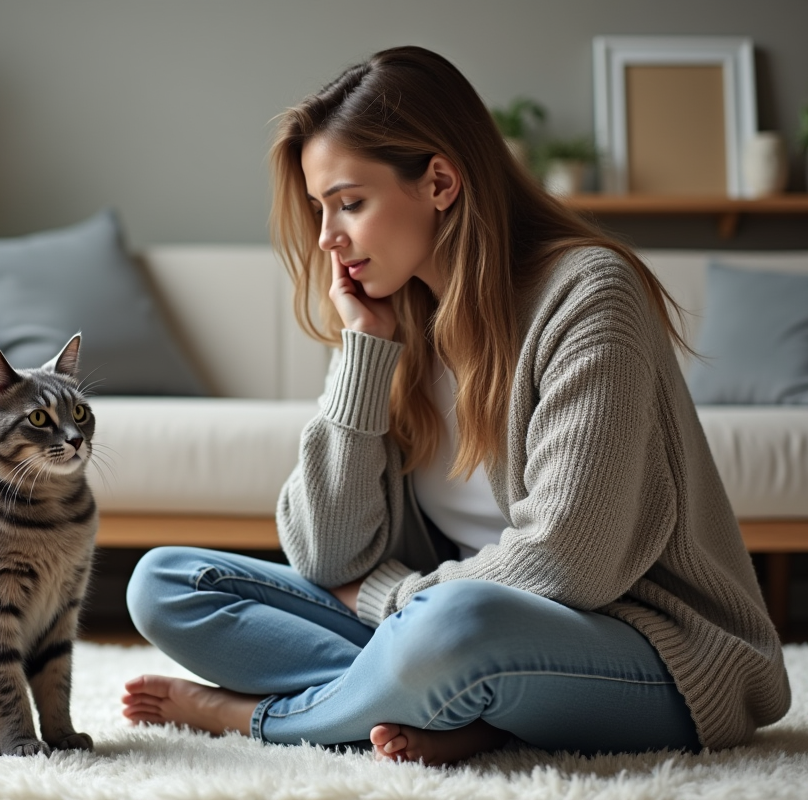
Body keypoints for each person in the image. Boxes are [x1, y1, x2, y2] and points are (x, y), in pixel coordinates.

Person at [120, 45, 790, 766]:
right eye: (320, 209)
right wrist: (363, 356)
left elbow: (569, 565)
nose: (326, 238)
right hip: (451, 634)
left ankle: (265, 719)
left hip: (651, 650)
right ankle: (463, 709)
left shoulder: (591, 294)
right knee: (165, 583)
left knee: (458, 622)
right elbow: (323, 555)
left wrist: (388, 597)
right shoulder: (389, 314)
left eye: (349, 202)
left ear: (439, 180)